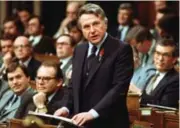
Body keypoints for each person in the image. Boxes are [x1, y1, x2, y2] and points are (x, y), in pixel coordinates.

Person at [54, 3, 133, 128]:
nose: (92, 30)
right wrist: (66, 107)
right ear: (81, 30)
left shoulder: (121, 49)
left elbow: (119, 88)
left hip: (109, 123)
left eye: (96, 24)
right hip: (80, 122)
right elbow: (73, 85)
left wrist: (92, 113)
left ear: (105, 23)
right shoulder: (79, 50)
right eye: (86, 26)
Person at [140, 38, 179, 108]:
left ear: (174, 59)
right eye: (158, 53)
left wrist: (139, 96)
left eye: (166, 55)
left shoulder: (176, 80)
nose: (160, 59)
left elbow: (165, 106)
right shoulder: (152, 76)